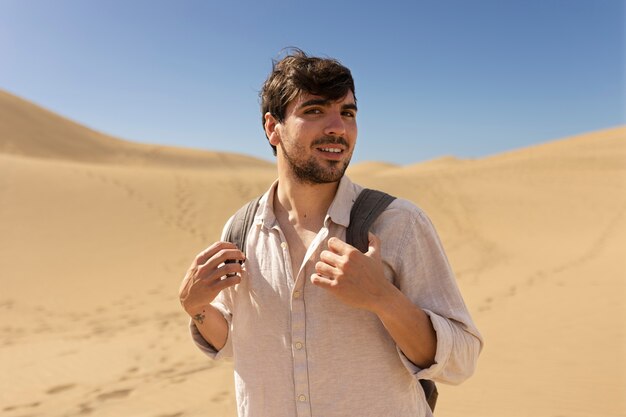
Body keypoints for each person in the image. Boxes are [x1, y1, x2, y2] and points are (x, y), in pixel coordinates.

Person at [178, 48, 483, 417]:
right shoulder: (242, 228)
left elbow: (461, 360)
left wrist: (383, 299)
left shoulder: (399, 223)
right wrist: (195, 308)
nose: (338, 127)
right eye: (315, 111)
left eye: (348, 112)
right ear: (273, 128)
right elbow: (236, 344)